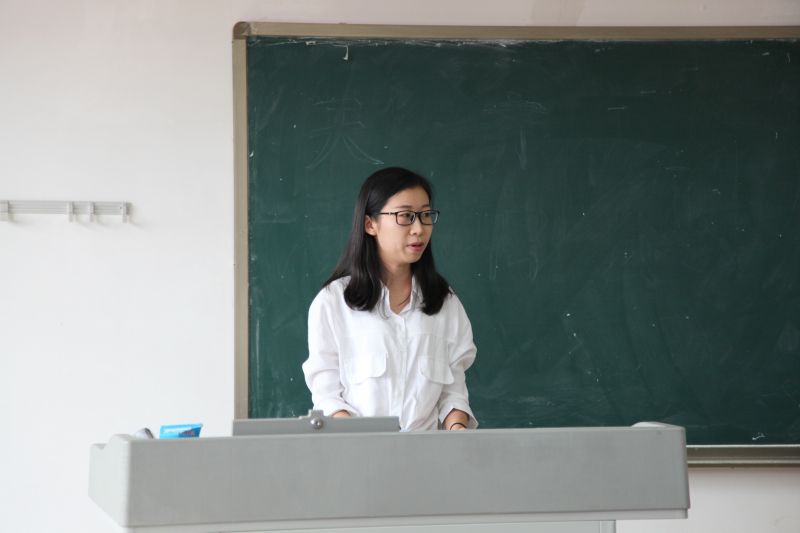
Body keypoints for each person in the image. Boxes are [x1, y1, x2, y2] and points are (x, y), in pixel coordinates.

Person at [302, 167, 478, 431]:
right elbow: (327, 395)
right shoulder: (333, 303)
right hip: (358, 450)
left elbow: (453, 392)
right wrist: (368, 443)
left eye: (425, 215)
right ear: (370, 224)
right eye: (405, 216)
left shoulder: (445, 302)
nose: (419, 229)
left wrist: (457, 431)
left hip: (429, 453)